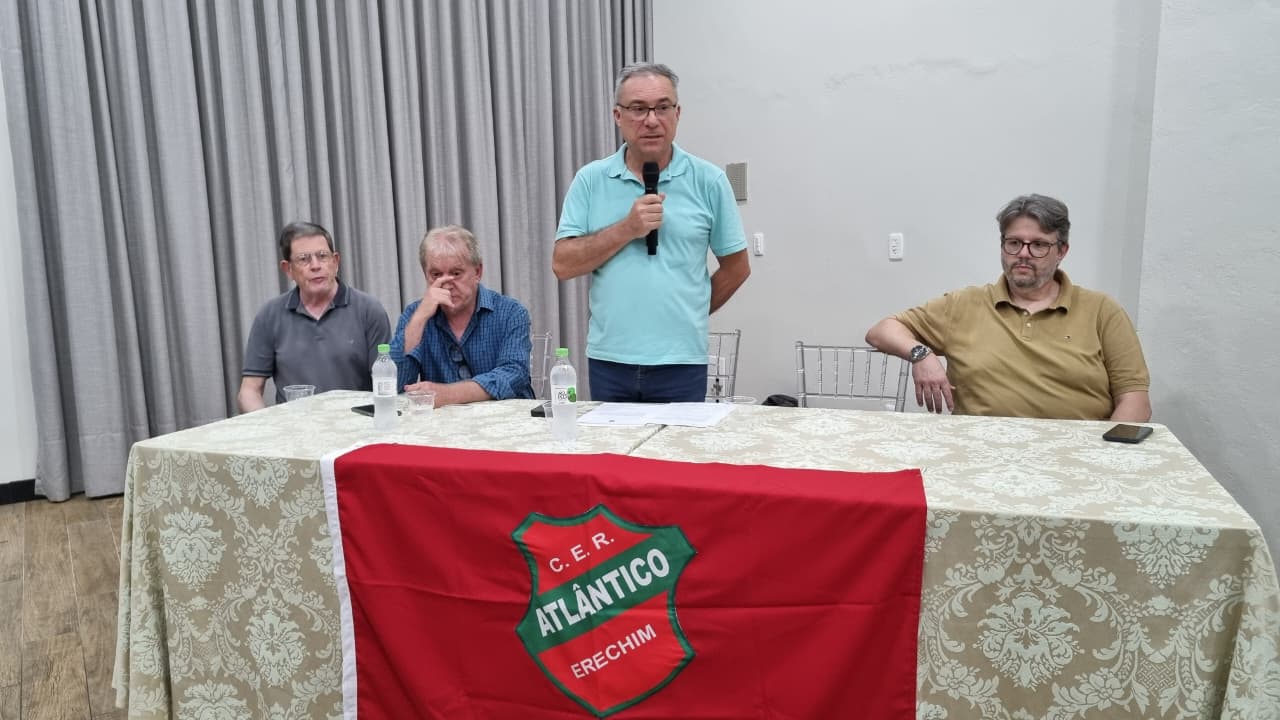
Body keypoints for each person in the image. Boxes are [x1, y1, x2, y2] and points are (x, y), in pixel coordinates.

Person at [552, 62, 750, 403]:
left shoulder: (709, 181)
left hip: (681, 361)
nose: (652, 120)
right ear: (618, 116)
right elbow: (563, 264)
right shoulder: (590, 180)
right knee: (612, 441)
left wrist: (688, 311)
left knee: (679, 442)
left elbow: (737, 268)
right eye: (638, 108)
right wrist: (627, 229)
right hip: (610, 361)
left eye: (662, 107)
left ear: (678, 113)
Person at [865, 194, 1151, 421]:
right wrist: (921, 355)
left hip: (1076, 457)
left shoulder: (1102, 311)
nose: (1023, 254)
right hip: (981, 454)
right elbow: (881, 331)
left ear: (1061, 251)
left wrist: (1105, 457)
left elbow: (1135, 401)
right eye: (1014, 243)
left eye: (1038, 245)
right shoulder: (964, 305)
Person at [238, 221, 391, 412]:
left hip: (356, 424)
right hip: (296, 426)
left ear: (335, 261)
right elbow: (249, 390)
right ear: (288, 269)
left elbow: (386, 383)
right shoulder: (269, 315)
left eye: (322, 256)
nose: (315, 266)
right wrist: (268, 425)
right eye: (304, 259)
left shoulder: (369, 310)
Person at [389, 225, 533, 405]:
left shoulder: (511, 313)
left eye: (456, 273)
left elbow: (514, 374)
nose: (446, 284)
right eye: (436, 275)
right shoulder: (415, 315)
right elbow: (393, 386)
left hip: (507, 418)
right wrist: (419, 319)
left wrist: (449, 394)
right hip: (443, 421)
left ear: (477, 272)